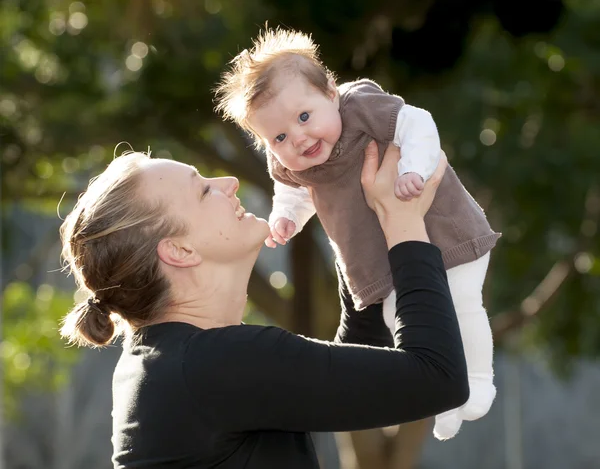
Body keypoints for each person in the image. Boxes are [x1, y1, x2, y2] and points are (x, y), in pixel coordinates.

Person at [59, 139, 467, 468]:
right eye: (203, 189)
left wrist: (351, 220)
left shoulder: (172, 363)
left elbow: (351, 373)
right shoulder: (217, 364)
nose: (229, 182)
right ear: (179, 250)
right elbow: (438, 378)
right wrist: (404, 222)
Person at [214, 27, 501, 439]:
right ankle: (444, 397)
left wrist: (414, 169)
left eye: (304, 116)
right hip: (389, 262)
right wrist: (286, 218)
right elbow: (295, 194)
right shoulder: (291, 164)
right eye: (278, 137)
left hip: (446, 232)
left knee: (461, 303)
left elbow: (417, 123)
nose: (298, 137)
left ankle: (478, 379)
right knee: (398, 320)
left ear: (331, 93)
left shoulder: (362, 106)